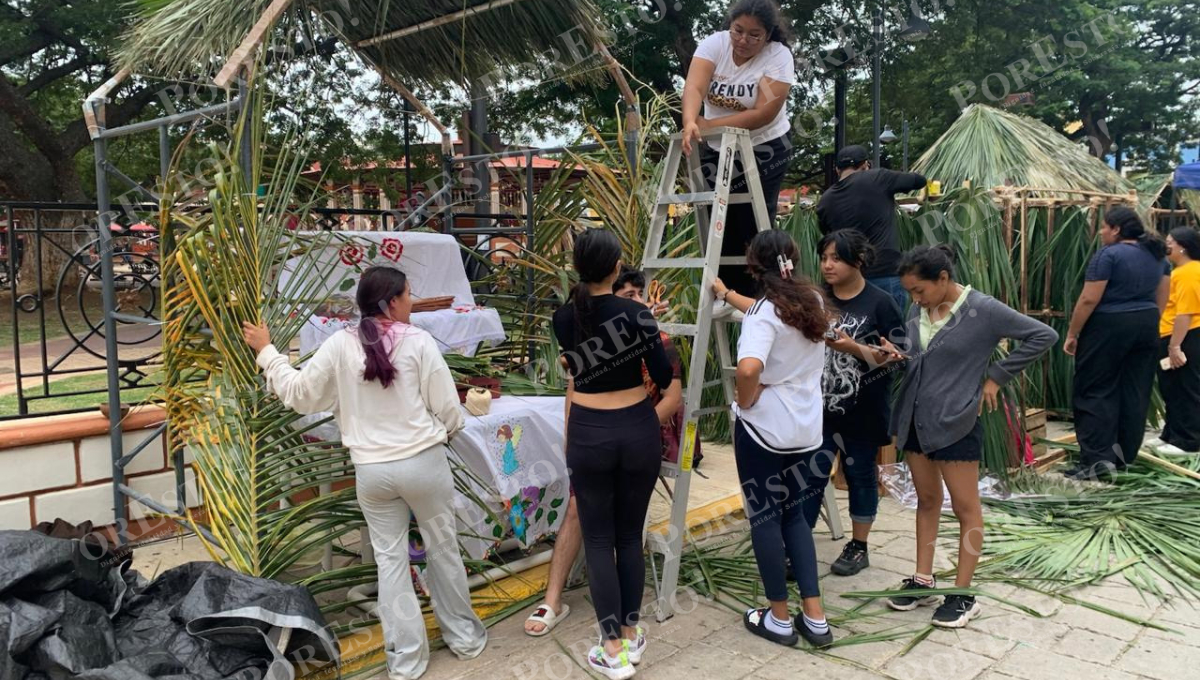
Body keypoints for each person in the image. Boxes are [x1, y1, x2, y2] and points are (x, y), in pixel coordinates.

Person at [242, 266, 486, 680]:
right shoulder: (420, 343)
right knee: (443, 551)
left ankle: (406, 662)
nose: (412, 301)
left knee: (390, 565)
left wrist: (267, 352)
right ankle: (464, 639)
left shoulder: (339, 345)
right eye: (409, 294)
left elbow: (301, 395)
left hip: (372, 473)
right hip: (424, 464)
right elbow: (448, 407)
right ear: (391, 302)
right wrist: (443, 431)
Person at [886, 245, 1056, 628]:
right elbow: (920, 357)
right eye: (910, 292)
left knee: (966, 508)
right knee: (926, 501)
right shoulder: (918, 310)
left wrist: (997, 378)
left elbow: (1043, 335)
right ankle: (923, 578)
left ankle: (963, 593)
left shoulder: (983, 309)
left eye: (919, 290)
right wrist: (896, 355)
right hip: (914, 419)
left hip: (957, 421)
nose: (914, 299)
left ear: (943, 279)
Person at [522, 266, 681, 639]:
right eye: (625, 296)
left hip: (633, 437)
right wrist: (571, 433)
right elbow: (575, 388)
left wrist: (634, 427)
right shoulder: (589, 329)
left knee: (617, 536)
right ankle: (578, 611)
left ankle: (615, 642)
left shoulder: (652, 334)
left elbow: (672, 394)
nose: (634, 303)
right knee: (591, 520)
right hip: (606, 437)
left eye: (637, 296)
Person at [551, 229, 673, 680]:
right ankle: (631, 632)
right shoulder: (637, 314)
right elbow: (660, 374)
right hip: (637, 429)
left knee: (599, 539)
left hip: (589, 432)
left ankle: (612, 647)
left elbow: (577, 369)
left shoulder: (564, 318)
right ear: (617, 266)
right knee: (628, 537)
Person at [711, 230, 835, 649]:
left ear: (753, 265)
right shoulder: (812, 301)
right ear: (792, 260)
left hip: (764, 431)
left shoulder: (765, 312)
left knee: (765, 519)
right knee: (796, 518)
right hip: (805, 430)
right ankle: (815, 618)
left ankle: (779, 619)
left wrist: (746, 402)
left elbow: (748, 369)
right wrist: (729, 295)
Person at [803, 230, 906, 576]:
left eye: (836, 258)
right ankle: (799, 545)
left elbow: (897, 357)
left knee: (860, 474)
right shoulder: (816, 299)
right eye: (824, 258)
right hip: (817, 411)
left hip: (862, 410)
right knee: (811, 475)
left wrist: (852, 349)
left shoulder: (881, 302)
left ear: (857, 261)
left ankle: (858, 546)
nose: (828, 265)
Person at [681, 0, 795, 298]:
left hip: (765, 146)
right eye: (738, 31)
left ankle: (762, 295)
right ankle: (724, 293)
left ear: (768, 35)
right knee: (718, 220)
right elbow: (694, 87)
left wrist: (709, 126)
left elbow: (762, 113)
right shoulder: (714, 45)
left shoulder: (778, 57)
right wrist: (691, 121)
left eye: (754, 35)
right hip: (719, 147)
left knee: (751, 222)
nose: (743, 41)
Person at [1064, 206, 1170, 478]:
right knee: (1135, 389)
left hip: (1109, 325)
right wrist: (1146, 324)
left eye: (1104, 227)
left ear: (1117, 229)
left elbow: (1089, 299)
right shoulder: (1158, 256)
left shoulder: (1109, 256)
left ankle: (1097, 463)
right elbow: (1162, 298)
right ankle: (1123, 458)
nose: (1100, 232)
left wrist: (1073, 333)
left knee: (1094, 390)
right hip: (1147, 324)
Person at [816, 145, 927, 310]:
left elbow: (829, 237)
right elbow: (919, 181)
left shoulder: (825, 201)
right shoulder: (878, 177)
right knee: (890, 332)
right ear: (865, 165)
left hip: (850, 278)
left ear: (837, 170)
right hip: (885, 271)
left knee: (854, 330)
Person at [1152, 227, 1200, 454]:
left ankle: (1188, 441)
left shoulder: (1190, 272)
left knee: (1186, 388)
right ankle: (1171, 434)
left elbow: (1186, 312)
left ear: (1183, 246)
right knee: (1171, 388)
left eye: (1170, 241)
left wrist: (1175, 346)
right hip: (1173, 334)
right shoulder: (1179, 271)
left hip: (1184, 335)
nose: (1166, 245)